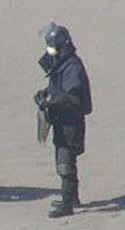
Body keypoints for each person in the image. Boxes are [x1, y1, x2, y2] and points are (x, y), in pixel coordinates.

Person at [33, 22, 92, 218]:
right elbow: (55, 87)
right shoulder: (61, 63)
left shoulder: (72, 66)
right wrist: (44, 95)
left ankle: (67, 204)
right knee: (64, 159)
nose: (49, 48)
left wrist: (53, 101)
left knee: (65, 162)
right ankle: (72, 198)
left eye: (52, 44)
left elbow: (73, 96)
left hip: (70, 123)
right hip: (61, 120)